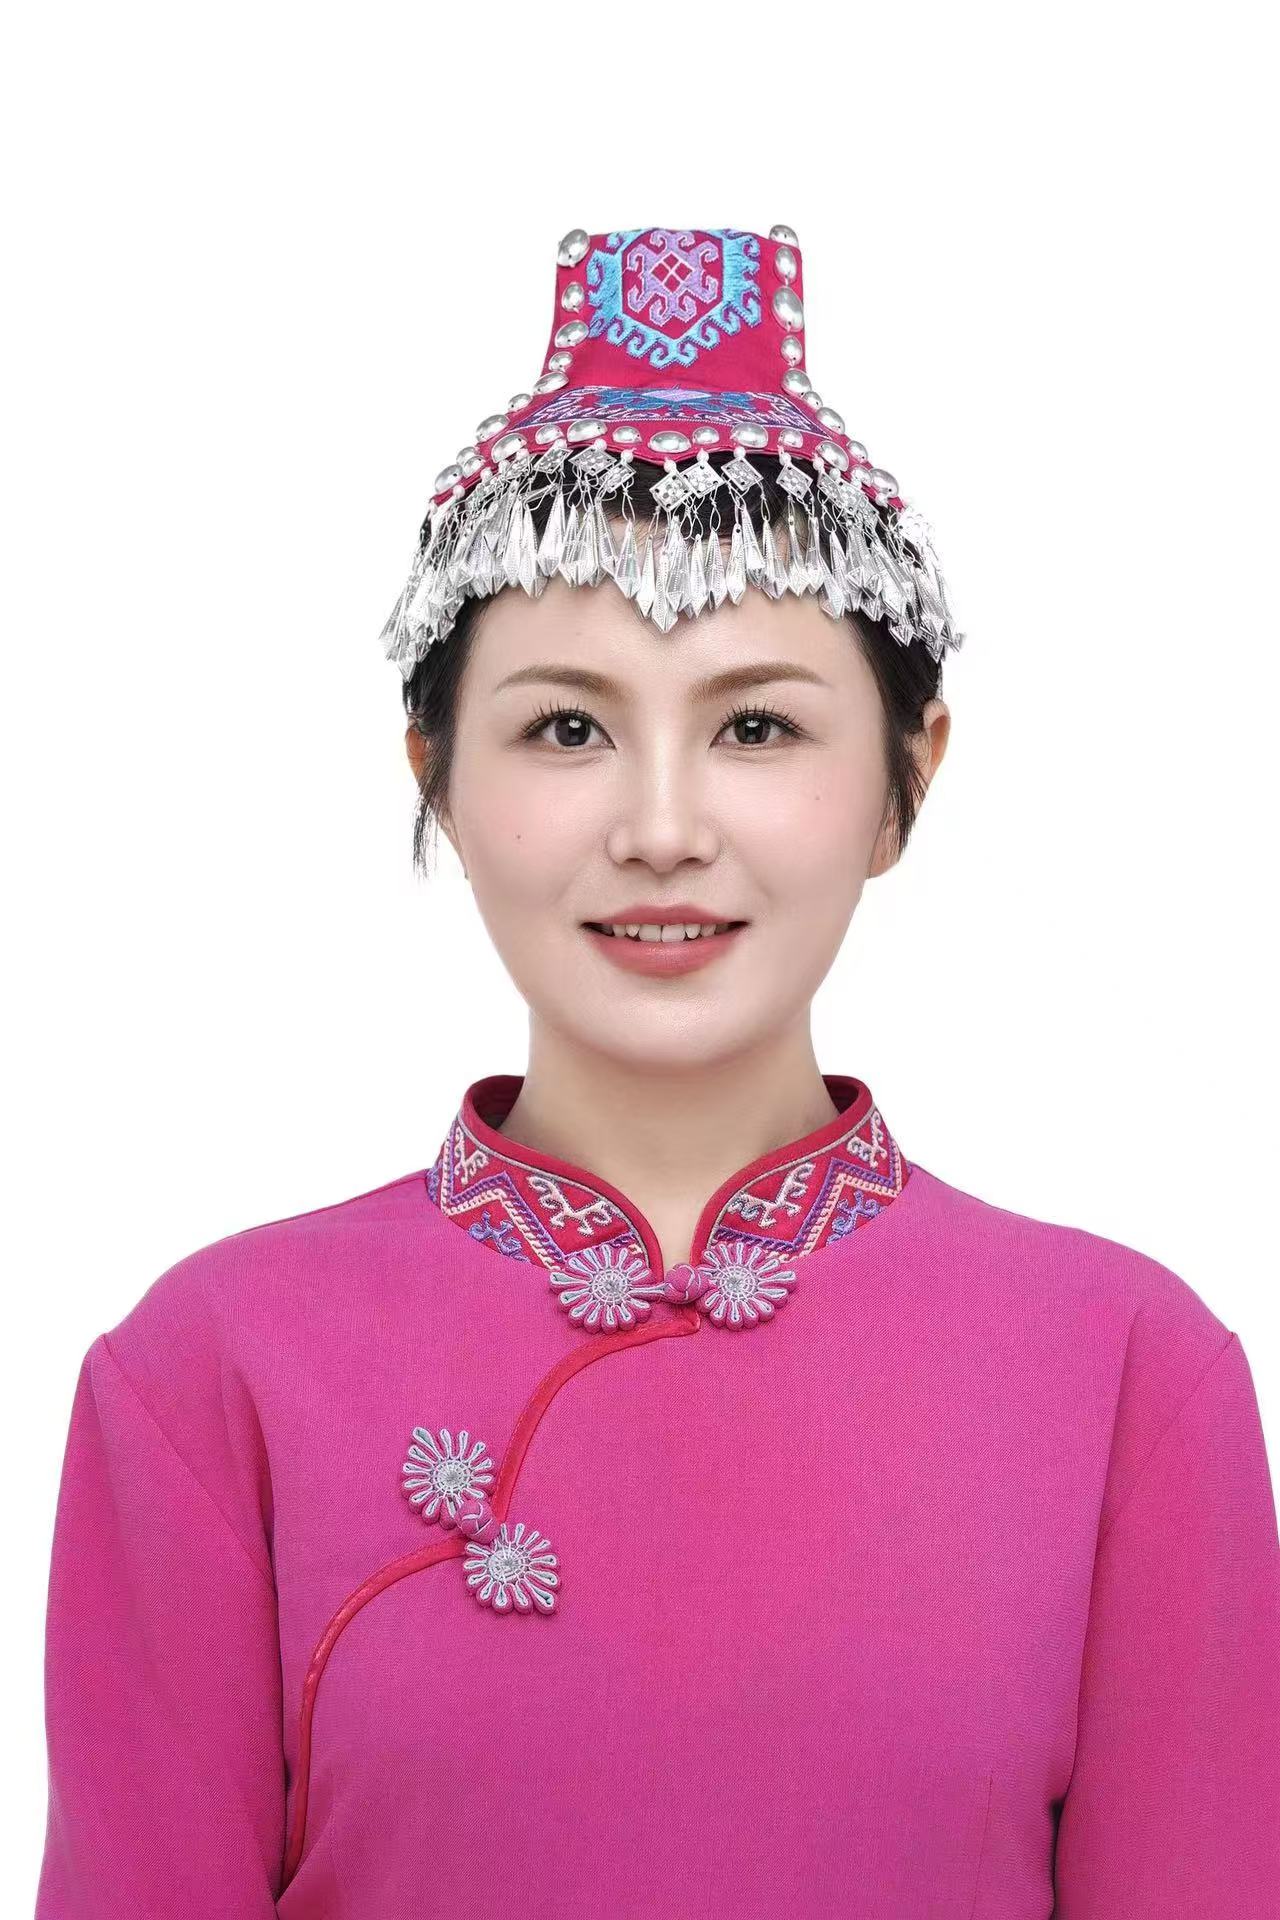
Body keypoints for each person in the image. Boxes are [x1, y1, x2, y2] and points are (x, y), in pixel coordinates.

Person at [35, 223, 1280, 1917]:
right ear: (436, 771)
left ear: (907, 778)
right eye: (567, 727)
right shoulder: (209, 1375)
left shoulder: (1131, 1374)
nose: (663, 828)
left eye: (757, 726)